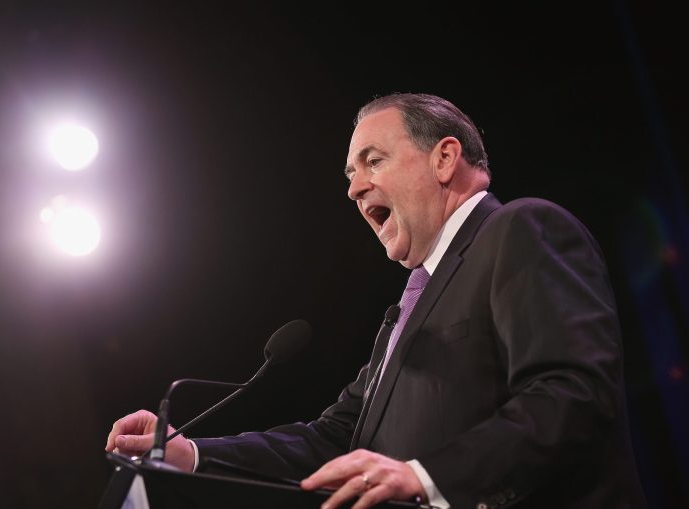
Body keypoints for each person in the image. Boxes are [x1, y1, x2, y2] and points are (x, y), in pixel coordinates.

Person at [106, 93, 647, 508]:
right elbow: (335, 440)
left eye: (373, 161)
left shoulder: (521, 228)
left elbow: (573, 394)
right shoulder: (406, 311)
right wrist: (190, 453)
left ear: (444, 158)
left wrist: (425, 477)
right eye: (350, 173)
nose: (354, 188)